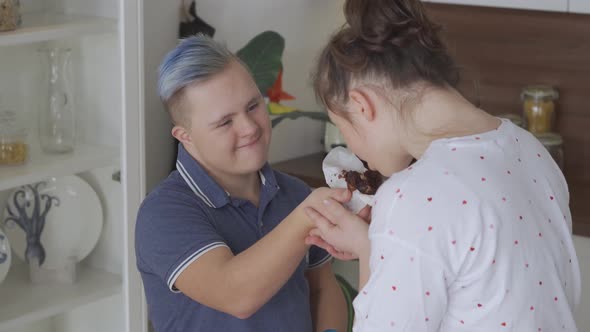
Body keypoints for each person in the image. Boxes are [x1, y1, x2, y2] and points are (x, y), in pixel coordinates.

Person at [304, 0, 582, 331]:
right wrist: (375, 244)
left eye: (345, 130)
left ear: (363, 106)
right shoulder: (531, 149)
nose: (353, 149)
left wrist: (371, 251)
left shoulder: (413, 196)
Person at [135, 35, 349, 332]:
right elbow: (235, 294)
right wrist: (308, 216)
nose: (249, 128)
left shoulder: (294, 194)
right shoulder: (162, 214)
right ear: (185, 136)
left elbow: (321, 289)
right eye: (225, 122)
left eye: (253, 106)